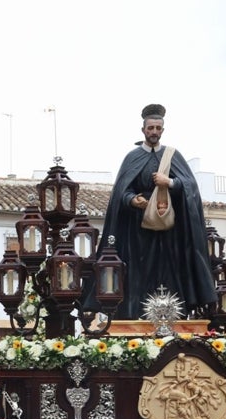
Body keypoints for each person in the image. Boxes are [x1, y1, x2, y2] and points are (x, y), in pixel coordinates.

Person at [84, 103, 216, 320]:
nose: (154, 132)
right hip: (138, 230)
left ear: (162, 130)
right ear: (143, 130)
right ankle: (135, 315)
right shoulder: (132, 157)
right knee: (139, 271)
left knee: (170, 270)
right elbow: (121, 192)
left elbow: (190, 186)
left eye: (158, 128)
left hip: (169, 229)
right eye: (150, 128)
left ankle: (173, 315)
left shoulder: (173, 155)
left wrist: (170, 182)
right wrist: (132, 200)